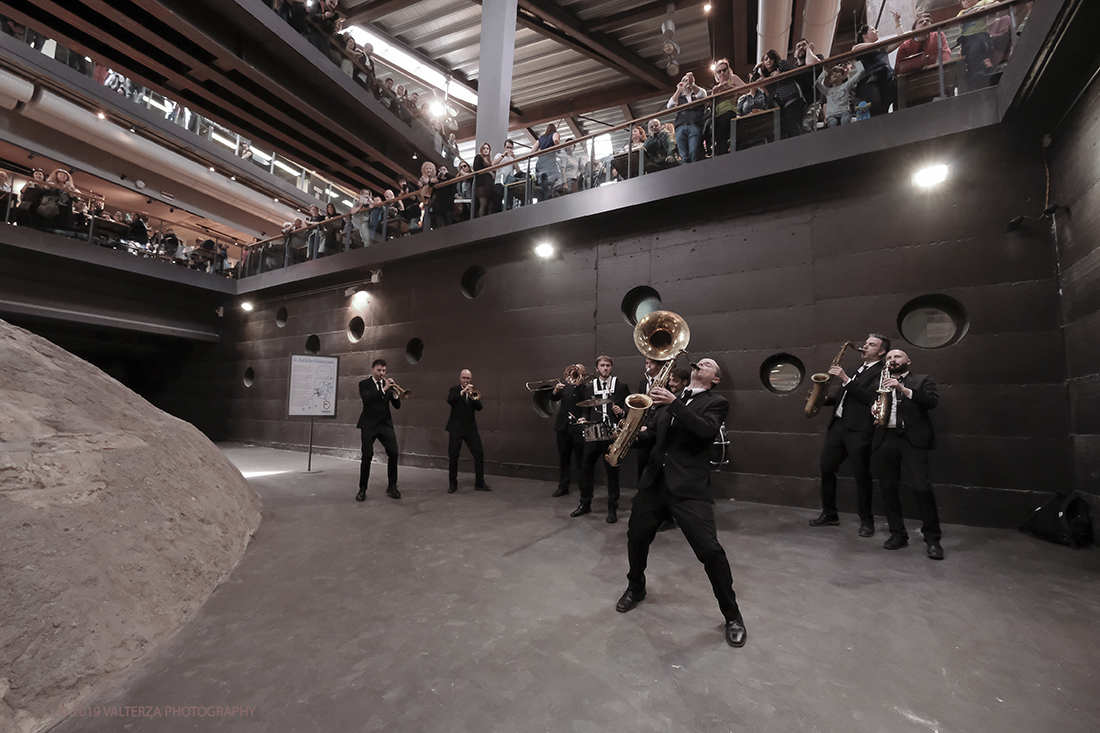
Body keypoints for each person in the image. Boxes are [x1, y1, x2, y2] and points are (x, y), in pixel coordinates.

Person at [616, 358, 746, 648]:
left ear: (715, 379)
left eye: (709, 364)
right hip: (654, 484)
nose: (701, 363)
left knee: (710, 551)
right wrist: (628, 436)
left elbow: (703, 431)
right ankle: (636, 587)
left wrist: (674, 402)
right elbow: (653, 435)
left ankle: (732, 614)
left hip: (688, 488)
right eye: (700, 362)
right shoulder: (666, 400)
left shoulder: (716, 402)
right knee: (636, 538)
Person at [809, 334, 888, 537]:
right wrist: (820, 398)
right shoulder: (855, 370)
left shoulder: (882, 372)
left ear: (881, 351)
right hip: (838, 427)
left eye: (872, 345)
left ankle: (867, 521)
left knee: (862, 475)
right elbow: (841, 397)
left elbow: (870, 398)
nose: (865, 346)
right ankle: (829, 514)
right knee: (826, 467)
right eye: (866, 343)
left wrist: (845, 378)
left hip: (859, 429)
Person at [872, 349, 943, 559]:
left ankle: (932, 539)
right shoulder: (880, 381)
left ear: (908, 361)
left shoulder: (922, 380)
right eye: (889, 358)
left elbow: (931, 402)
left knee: (922, 488)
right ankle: (897, 534)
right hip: (886, 437)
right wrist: (873, 409)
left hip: (912, 440)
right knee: (888, 488)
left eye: (897, 357)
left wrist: (902, 389)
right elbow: (871, 402)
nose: (893, 360)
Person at [574, 355, 630, 523]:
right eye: (602, 365)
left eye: (608, 365)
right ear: (597, 368)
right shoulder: (590, 387)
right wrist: (583, 418)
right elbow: (586, 408)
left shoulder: (621, 386)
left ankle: (612, 508)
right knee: (586, 468)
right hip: (593, 431)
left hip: (613, 433)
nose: (605, 368)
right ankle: (585, 503)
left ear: (611, 367)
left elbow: (628, 406)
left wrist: (623, 412)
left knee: (612, 471)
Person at [356, 358, 402, 501]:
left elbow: (397, 406)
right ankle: (362, 489)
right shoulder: (364, 384)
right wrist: (384, 389)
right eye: (379, 370)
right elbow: (368, 400)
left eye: (384, 370)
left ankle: (392, 486)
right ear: (372, 370)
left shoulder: (387, 385)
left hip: (385, 425)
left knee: (394, 453)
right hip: (369, 425)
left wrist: (395, 395)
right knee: (367, 456)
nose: (382, 373)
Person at [446, 369, 489, 492]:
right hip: (456, 429)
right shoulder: (454, 390)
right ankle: (453, 484)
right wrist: (462, 392)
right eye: (464, 378)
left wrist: (473, 396)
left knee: (479, 454)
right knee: (453, 456)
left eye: (468, 378)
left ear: (471, 380)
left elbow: (479, 408)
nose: (466, 380)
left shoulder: (472, 393)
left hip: (470, 429)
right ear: (460, 378)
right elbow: (450, 400)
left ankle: (479, 483)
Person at [852, 16, 903, 117]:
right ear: (865, 36)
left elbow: (901, 38)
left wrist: (898, 22)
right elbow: (855, 49)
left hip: (885, 76)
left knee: (886, 102)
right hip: (870, 79)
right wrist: (880, 46)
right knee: (875, 103)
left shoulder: (882, 48)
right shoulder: (861, 47)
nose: (876, 30)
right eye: (873, 29)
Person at [549, 365, 588, 498]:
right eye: (574, 370)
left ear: (583, 373)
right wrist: (555, 390)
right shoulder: (565, 387)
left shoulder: (585, 388)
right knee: (564, 458)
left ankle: (584, 487)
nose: (575, 373)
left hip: (577, 428)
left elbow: (589, 405)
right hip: (562, 427)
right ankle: (563, 486)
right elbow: (554, 399)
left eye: (579, 371)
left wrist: (579, 384)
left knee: (580, 459)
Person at [749, 50, 805, 139]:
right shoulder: (768, 78)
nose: (769, 60)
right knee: (784, 129)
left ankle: (800, 144)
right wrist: (756, 68)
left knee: (792, 124)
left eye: (771, 58)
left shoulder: (781, 64)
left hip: (792, 98)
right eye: (766, 59)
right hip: (781, 106)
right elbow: (752, 83)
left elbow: (796, 71)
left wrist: (780, 74)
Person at [955, 0, 998, 91]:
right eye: (962, 0)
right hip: (966, 41)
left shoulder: (982, 2)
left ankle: (979, 74)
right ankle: (976, 75)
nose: (966, 0)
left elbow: (997, 4)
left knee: (975, 48)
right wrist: (968, 14)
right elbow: (957, 21)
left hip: (980, 36)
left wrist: (983, 8)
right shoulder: (961, 12)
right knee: (968, 55)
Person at [666, 71, 708, 163]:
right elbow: (670, 106)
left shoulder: (698, 93)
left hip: (695, 125)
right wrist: (679, 90)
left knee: (694, 153)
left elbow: (702, 95)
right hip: (680, 127)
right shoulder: (679, 98)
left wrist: (692, 84)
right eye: (684, 81)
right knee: (684, 155)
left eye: (688, 80)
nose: (686, 82)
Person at [710, 58, 748, 155]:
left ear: (728, 70)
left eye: (724, 70)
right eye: (719, 71)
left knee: (724, 135)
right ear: (716, 74)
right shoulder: (717, 87)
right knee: (719, 140)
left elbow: (747, 90)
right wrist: (714, 93)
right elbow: (710, 104)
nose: (722, 73)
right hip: (717, 116)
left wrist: (730, 88)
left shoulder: (732, 79)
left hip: (729, 111)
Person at [816, 61, 864, 127]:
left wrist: (855, 60)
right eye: (832, 74)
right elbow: (817, 84)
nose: (834, 74)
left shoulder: (846, 86)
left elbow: (860, 71)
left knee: (845, 120)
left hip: (844, 112)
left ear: (842, 76)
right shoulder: (827, 91)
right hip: (831, 115)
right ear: (829, 79)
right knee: (833, 123)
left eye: (837, 72)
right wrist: (825, 71)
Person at [531, 123, 561, 201]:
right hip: (549, 162)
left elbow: (532, 151)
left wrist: (540, 153)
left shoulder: (541, 138)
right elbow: (556, 140)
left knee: (541, 184)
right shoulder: (555, 134)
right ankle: (549, 199)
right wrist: (558, 149)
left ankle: (541, 200)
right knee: (551, 182)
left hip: (540, 163)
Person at [472, 142, 494, 217]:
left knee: (490, 206)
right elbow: (477, 169)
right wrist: (489, 172)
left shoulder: (490, 162)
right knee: (483, 204)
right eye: (484, 148)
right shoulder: (478, 157)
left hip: (490, 185)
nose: (486, 150)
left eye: (487, 148)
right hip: (482, 184)